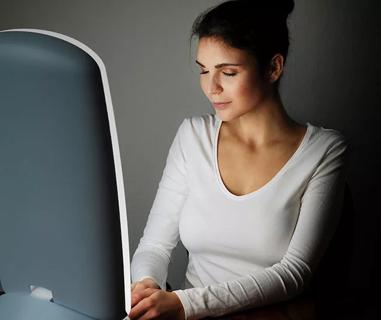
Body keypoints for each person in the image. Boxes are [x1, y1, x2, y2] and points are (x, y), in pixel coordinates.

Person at [128, 0, 349, 319]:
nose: (211, 88)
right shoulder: (194, 136)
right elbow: (154, 247)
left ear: (273, 68)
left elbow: (295, 273)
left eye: (228, 72)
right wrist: (146, 286)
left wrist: (186, 305)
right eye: (204, 70)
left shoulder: (324, 150)